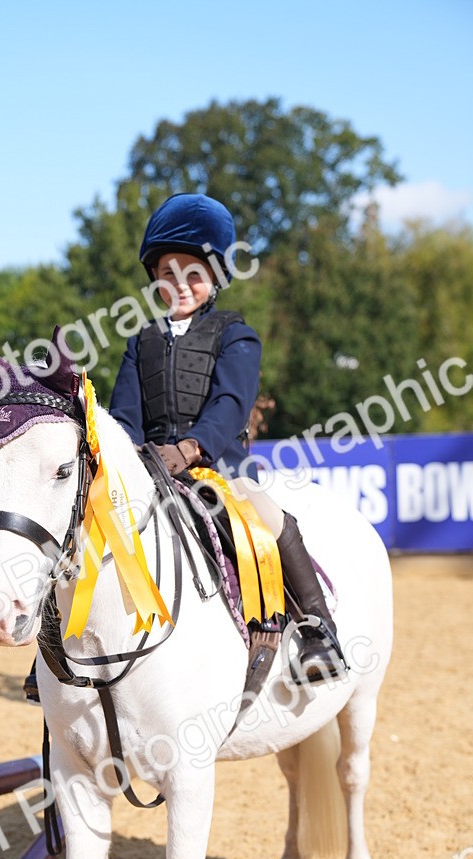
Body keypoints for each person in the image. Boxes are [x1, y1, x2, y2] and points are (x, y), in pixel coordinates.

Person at [108, 193, 341, 681]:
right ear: (155, 278)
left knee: (269, 517)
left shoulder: (236, 334)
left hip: (218, 468)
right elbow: (124, 414)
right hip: (149, 469)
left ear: (213, 278)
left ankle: (318, 631)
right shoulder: (140, 342)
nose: (181, 284)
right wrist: (126, 454)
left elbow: (231, 405)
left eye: (193, 274)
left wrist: (190, 448)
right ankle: (54, 646)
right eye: (168, 273)